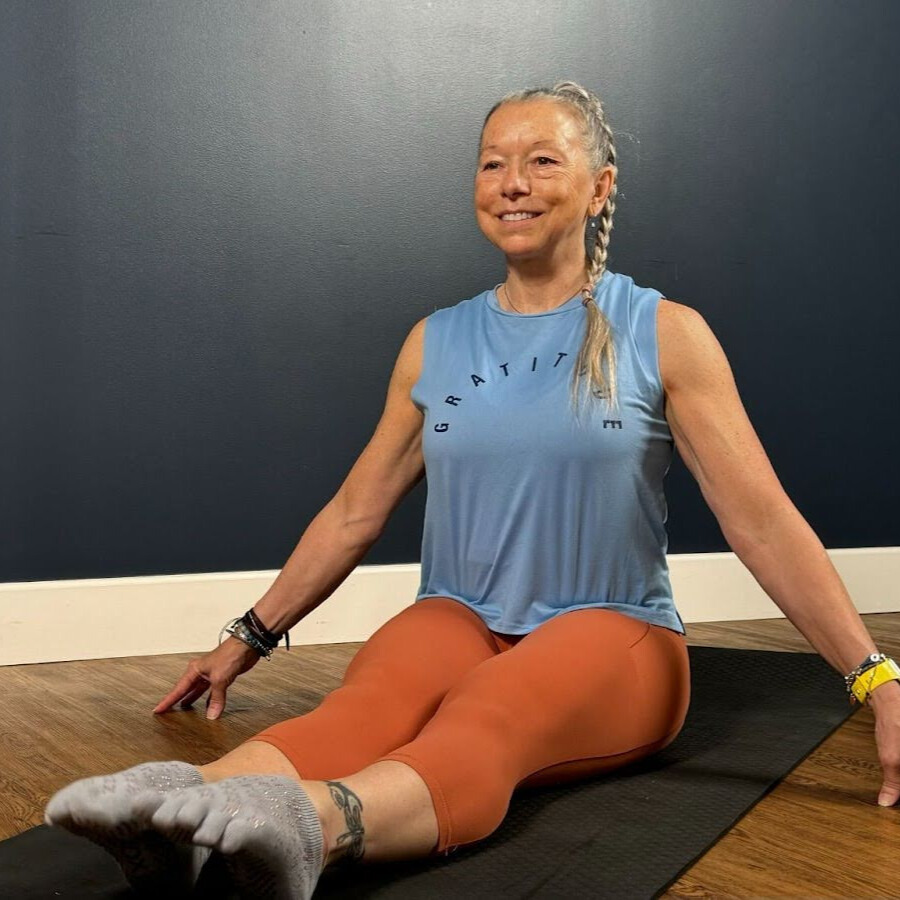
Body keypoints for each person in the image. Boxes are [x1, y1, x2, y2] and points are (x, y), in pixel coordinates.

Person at [44, 80, 900, 900]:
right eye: (492, 163)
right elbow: (355, 513)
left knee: (486, 715)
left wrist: (875, 679)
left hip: (613, 631)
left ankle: (312, 828)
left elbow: (761, 522)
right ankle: (179, 812)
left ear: (600, 187)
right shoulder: (436, 340)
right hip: (461, 614)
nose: (513, 184)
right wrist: (248, 636)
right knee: (363, 708)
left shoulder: (663, 333)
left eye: (542, 161)